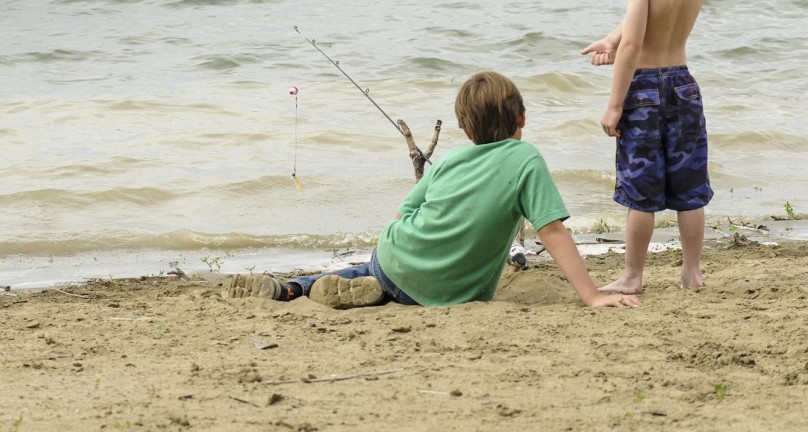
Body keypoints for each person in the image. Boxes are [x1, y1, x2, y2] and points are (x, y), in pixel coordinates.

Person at [227, 71, 640, 310]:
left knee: (371, 270)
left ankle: (294, 288)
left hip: (396, 259)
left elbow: (399, 218)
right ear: (522, 118)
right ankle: (361, 290)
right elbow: (552, 233)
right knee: (391, 279)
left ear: (464, 128)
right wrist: (590, 296)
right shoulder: (526, 159)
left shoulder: (450, 161)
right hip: (449, 294)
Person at [581, 0, 713, 294]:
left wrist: (615, 104)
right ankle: (691, 273)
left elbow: (635, 44)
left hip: (645, 93)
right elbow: (643, 25)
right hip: (684, 86)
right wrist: (610, 38)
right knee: (689, 186)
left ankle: (633, 276)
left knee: (642, 189)